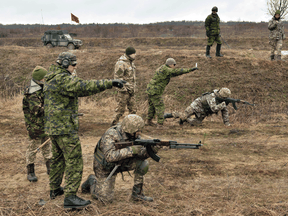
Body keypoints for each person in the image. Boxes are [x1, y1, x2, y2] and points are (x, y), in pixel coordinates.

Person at [44, 52, 125, 209]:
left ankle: (55, 190)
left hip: (54, 127)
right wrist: (110, 83)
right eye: (73, 64)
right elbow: (84, 87)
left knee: (58, 159)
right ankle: (70, 197)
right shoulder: (62, 79)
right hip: (65, 127)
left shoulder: (52, 76)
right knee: (74, 161)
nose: (75, 68)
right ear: (65, 63)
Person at [81, 114, 158, 203]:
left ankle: (137, 194)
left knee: (143, 164)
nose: (139, 133)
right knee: (105, 199)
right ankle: (92, 181)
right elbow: (109, 156)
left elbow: (141, 156)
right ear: (131, 129)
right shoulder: (111, 134)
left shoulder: (133, 135)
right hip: (104, 167)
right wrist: (130, 150)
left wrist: (153, 150)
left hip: (122, 162)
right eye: (138, 131)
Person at [145, 58, 198, 128]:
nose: (174, 66)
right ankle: (160, 124)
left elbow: (174, 73)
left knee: (152, 106)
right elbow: (177, 71)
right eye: (174, 65)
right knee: (160, 106)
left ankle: (148, 121)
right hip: (155, 91)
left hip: (150, 90)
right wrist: (190, 69)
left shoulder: (162, 68)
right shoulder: (167, 69)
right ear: (170, 64)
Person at [23, 66, 52, 182]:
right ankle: (30, 171)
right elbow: (37, 111)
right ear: (39, 79)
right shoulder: (32, 93)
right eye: (45, 78)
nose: (46, 80)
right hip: (34, 125)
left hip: (44, 124)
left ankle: (50, 168)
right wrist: (53, 108)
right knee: (32, 148)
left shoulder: (41, 87)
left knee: (47, 146)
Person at [164, 88, 231, 126]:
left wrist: (227, 123)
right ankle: (167, 115)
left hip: (203, 112)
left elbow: (225, 111)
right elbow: (213, 108)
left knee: (195, 124)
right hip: (195, 106)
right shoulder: (211, 96)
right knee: (184, 115)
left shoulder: (222, 101)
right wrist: (223, 104)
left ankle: (184, 120)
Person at [111, 47, 137, 126]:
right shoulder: (121, 63)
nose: (135, 55)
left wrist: (133, 88)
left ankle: (132, 125)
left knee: (133, 109)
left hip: (131, 90)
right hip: (124, 91)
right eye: (134, 53)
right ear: (129, 54)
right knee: (120, 109)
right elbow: (118, 78)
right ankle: (114, 123)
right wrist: (124, 89)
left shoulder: (131, 63)